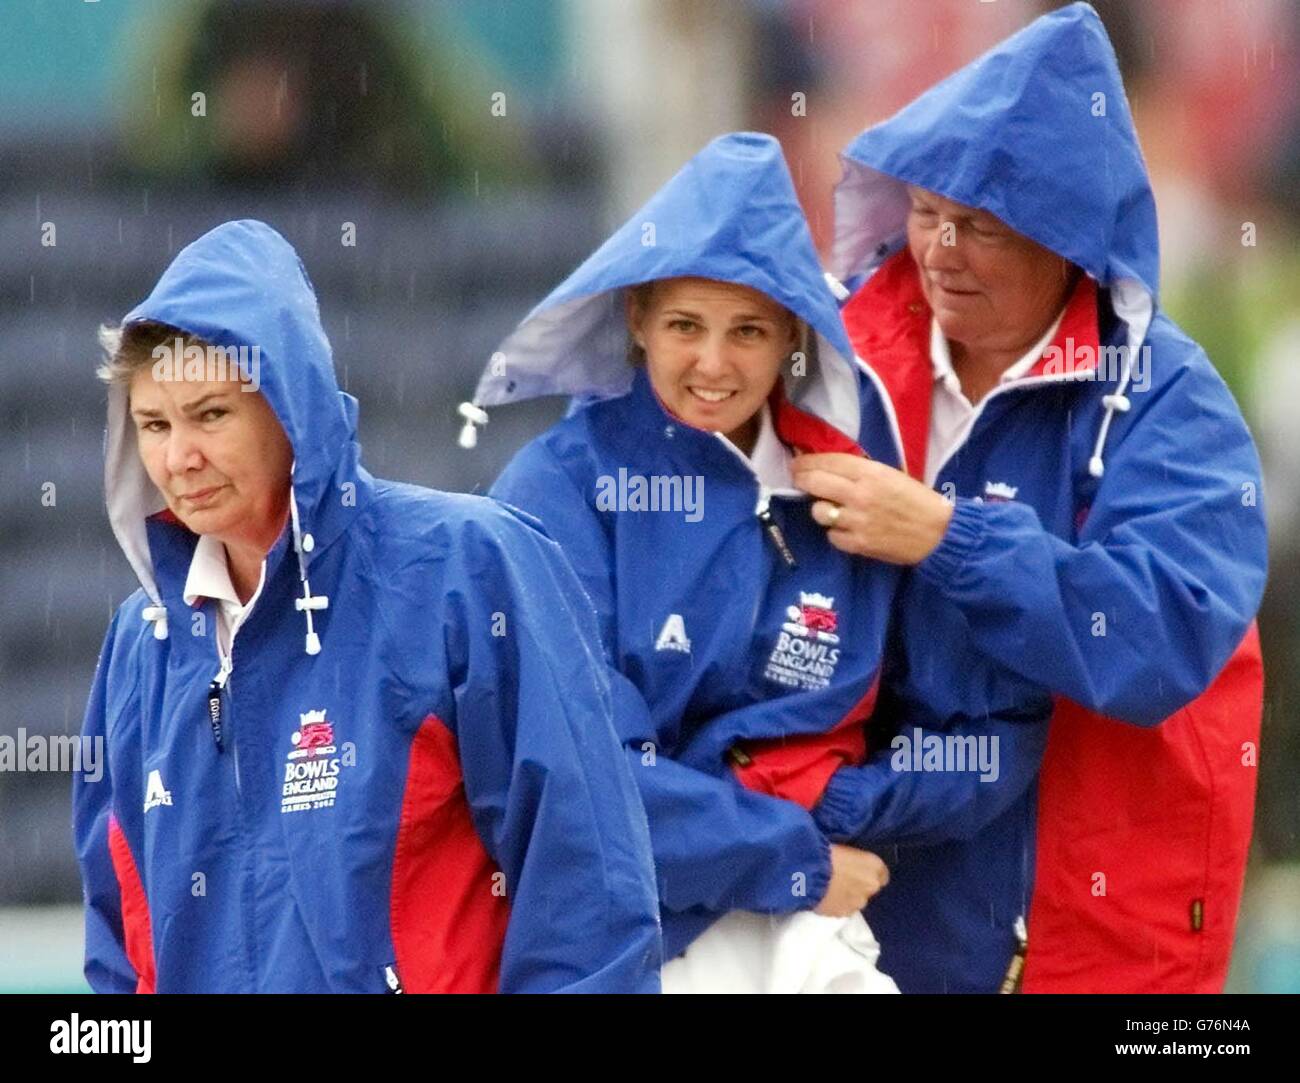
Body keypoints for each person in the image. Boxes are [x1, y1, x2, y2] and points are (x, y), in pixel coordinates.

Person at [471, 132, 1049, 992]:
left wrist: (845, 803)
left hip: (811, 930)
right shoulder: (557, 491)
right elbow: (577, 773)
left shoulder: (858, 490)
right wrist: (793, 853)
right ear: (635, 319)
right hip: (627, 939)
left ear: (792, 336)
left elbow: (992, 725)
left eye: (747, 330)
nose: (713, 363)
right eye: (684, 325)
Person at [801, 2, 1267, 992]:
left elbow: (1162, 637)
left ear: (1069, 237)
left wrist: (948, 539)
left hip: (1085, 936)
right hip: (839, 918)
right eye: (926, 209)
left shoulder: (1169, 403)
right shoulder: (825, 361)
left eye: (980, 226)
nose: (940, 249)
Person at [73, 219, 661, 993]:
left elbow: (586, 887)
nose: (179, 457)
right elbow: (119, 947)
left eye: (211, 413)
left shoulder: (469, 566)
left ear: (292, 407)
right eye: (154, 424)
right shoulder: (139, 640)